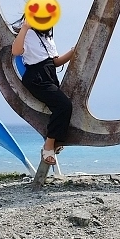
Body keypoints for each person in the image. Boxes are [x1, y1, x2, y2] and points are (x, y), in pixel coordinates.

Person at [12, 19, 74, 166]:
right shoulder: (27, 34)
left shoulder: (48, 37)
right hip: (36, 78)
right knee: (64, 106)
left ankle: (54, 142)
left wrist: (73, 51)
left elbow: (55, 62)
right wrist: (25, 27)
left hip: (50, 76)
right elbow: (15, 51)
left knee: (61, 108)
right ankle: (48, 146)